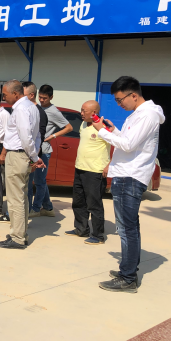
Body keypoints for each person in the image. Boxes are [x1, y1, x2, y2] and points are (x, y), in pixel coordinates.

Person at [94, 76, 165, 293]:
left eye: (120, 100)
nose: (119, 104)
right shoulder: (138, 114)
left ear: (133, 95)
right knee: (128, 228)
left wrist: (101, 131)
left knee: (127, 230)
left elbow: (128, 145)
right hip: (126, 175)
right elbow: (128, 141)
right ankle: (128, 270)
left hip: (130, 177)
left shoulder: (147, 115)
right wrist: (113, 130)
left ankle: (128, 278)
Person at [0, 80, 45, 250]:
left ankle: (17, 237)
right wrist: (33, 156)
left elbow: (26, 136)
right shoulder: (32, 107)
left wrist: (33, 157)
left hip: (17, 155)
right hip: (23, 155)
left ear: (15, 94)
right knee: (21, 197)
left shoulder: (21, 109)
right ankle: (20, 233)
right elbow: (37, 136)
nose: (3, 98)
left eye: (5, 94)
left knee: (15, 198)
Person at [65, 100, 110, 245]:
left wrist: (109, 165)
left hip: (95, 171)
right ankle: (81, 229)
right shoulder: (84, 125)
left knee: (94, 204)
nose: (81, 113)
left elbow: (118, 145)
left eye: (84, 111)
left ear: (94, 113)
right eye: (81, 110)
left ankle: (98, 235)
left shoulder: (104, 127)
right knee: (78, 201)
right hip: (80, 168)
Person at [32, 84, 73, 217]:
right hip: (35, 149)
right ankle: (48, 208)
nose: (41, 100)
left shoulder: (54, 111)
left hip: (44, 151)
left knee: (39, 181)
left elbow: (69, 127)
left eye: (44, 98)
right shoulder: (36, 108)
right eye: (40, 97)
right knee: (40, 181)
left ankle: (36, 208)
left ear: (51, 97)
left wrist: (53, 136)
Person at [22, 81, 49, 214]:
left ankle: (26, 213)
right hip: (22, 153)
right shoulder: (23, 109)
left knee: (28, 185)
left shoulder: (39, 113)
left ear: (31, 95)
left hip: (31, 155)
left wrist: (34, 157)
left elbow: (39, 137)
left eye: (23, 94)